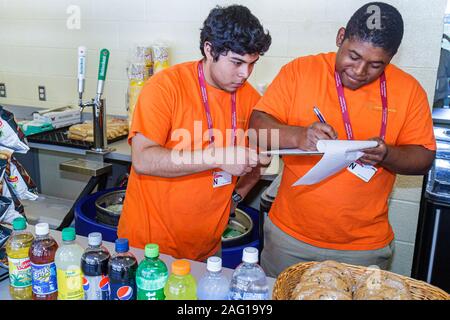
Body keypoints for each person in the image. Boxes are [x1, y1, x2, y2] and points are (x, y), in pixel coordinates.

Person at [249, 2, 436, 277]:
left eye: (375, 65)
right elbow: (256, 127)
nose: (359, 71)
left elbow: (424, 158)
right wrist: (299, 135)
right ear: (340, 37)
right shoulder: (300, 71)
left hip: (363, 248)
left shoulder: (409, 91)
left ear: (392, 57)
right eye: (353, 56)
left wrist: (387, 155)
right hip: (290, 238)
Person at [118, 5, 272, 261]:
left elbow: (261, 160)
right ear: (209, 50)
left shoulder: (251, 100)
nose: (245, 74)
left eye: (252, 64)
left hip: (207, 250)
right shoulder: (166, 87)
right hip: (148, 247)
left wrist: (235, 198)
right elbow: (144, 159)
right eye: (237, 62)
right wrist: (218, 157)